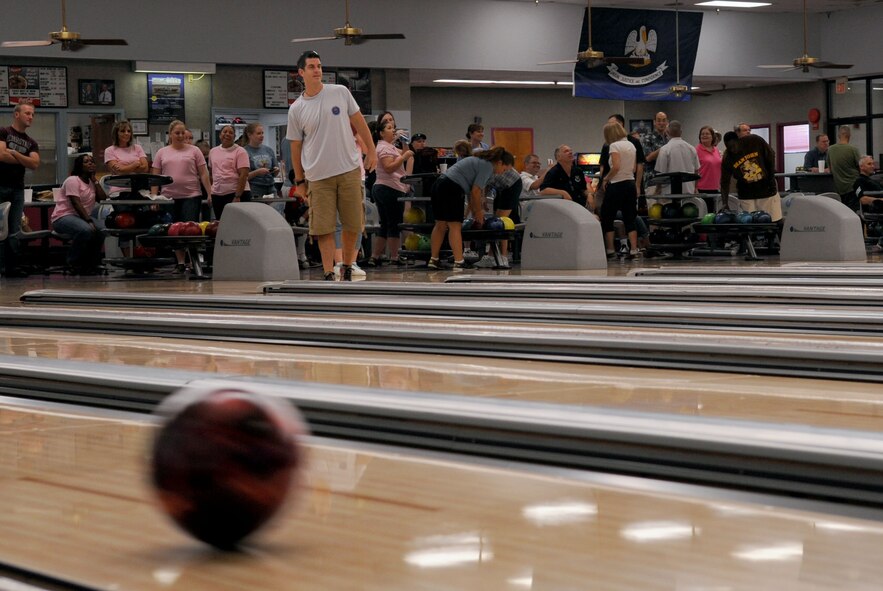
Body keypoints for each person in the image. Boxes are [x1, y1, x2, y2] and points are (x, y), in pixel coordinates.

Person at [287, 50, 377, 282]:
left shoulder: (340, 92)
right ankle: (328, 271)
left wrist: (371, 150)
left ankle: (347, 266)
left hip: (348, 169)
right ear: (301, 73)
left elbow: (360, 123)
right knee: (323, 227)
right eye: (311, 67)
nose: (317, 70)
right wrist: (299, 181)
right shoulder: (296, 108)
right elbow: (295, 147)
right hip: (318, 175)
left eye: (319, 66)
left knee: (353, 223)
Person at [427, 146, 514, 270]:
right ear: (499, 162)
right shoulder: (488, 166)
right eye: (504, 169)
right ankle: (459, 262)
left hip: (439, 184)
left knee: (440, 224)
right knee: (455, 226)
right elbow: (475, 191)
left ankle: (434, 259)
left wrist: (475, 210)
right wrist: (478, 212)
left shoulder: (479, 161)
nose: (502, 173)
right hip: (452, 187)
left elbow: (472, 193)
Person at [151, 120, 212, 274]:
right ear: (170, 134)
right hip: (169, 197)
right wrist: (154, 196)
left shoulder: (194, 151)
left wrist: (209, 192)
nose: (180, 136)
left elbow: (203, 173)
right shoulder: (162, 152)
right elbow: (155, 176)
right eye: (176, 133)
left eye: (182, 133)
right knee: (174, 230)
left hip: (191, 195)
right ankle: (180, 262)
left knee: (190, 230)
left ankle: (193, 262)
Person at [0, 102, 39, 277]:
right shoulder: (4, 132)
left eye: (32, 114)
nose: (31, 117)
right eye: (27, 113)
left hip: (17, 189)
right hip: (1, 185)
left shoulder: (32, 142)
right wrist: (25, 160)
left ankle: (12, 267)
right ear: (17, 114)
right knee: (1, 228)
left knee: (14, 229)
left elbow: (35, 164)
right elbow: (1, 155)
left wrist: (15, 153)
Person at [366, 120, 413, 267]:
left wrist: (404, 142)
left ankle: (375, 256)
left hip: (384, 187)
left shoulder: (388, 146)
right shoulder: (384, 148)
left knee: (386, 224)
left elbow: (404, 154)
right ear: (381, 133)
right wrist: (404, 158)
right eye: (389, 128)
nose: (393, 130)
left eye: (394, 128)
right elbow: (389, 167)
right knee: (393, 224)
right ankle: (394, 256)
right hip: (389, 188)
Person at [51, 154, 107, 274]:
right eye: (86, 162)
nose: (90, 163)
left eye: (92, 161)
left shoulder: (91, 182)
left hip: (81, 217)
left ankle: (91, 263)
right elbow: (76, 203)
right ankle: (73, 262)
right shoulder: (72, 180)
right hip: (63, 217)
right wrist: (89, 221)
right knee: (85, 230)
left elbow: (102, 198)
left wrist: (95, 180)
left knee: (102, 230)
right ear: (79, 166)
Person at [103, 119, 149, 257]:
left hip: (137, 191)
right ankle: (127, 257)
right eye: (123, 131)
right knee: (125, 223)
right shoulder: (110, 150)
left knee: (142, 221)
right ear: (116, 133)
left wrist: (125, 167)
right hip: (119, 192)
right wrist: (134, 165)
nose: (126, 133)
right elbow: (117, 171)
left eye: (129, 131)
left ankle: (140, 255)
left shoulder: (137, 148)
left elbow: (145, 167)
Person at [719, 131, 783, 222]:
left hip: (766, 190)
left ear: (738, 141)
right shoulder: (727, 157)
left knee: (773, 222)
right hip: (746, 195)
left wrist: (771, 178)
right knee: (750, 225)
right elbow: (724, 182)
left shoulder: (754, 141)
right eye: (729, 148)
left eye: (733, 146)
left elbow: (771, 155)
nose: (732, 150)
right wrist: (725, 203)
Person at [600, 122, 639, 260]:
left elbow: (616, 167)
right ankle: (634, 249)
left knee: (607, 216)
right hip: (630, 183)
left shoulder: (614, 146)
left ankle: (610, 249)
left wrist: (606, 179)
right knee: (630, 217)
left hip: (616, 185)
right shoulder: (632, 145)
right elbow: (634, 168)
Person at [208, 124, 250, 221]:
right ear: (220, 135)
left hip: (235, 194)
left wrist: (237, 196)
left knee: (236, 223)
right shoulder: (213, 151)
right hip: (217, 195)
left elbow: (243, 175)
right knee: (221, 223)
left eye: (231, 133)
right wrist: (212, 191)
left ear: (234, 137)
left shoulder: (240, 151)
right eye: (225, 132)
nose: (227, 134)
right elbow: (211, 173)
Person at [539, 144, 593, 210]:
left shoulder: (578, 171)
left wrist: (589, 195)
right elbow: (543, 190)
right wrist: (563, 193)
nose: (570, 152)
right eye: (566, 151)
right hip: (563, 208)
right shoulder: (553, 172)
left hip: (580, 205)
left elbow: (584, 189)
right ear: (558, 157)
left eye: (571, 151)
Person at [655, 120, 700, 195]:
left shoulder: (665, 149)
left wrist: (657, 190)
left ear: (667, 132)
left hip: (670, 193)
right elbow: (696, 171)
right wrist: (695, 188)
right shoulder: (691, 148)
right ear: (681, 132)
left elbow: (660, 173)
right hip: (689, 193)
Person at [826, 125, 861, 211]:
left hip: (838, 188)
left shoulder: (830, 150)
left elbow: (830, 168)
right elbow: (861, 167)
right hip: (853, 187)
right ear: (849, 135)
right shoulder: (853, 149)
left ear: (838, 135)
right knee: (854, 212)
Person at [242, 123, 279, 204]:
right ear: (249, 135)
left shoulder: (268, 150)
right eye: (258, 133)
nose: (262, 136)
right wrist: (257, 172)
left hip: (270, 187)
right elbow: (243, 177)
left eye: (262, 133)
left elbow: (274, 173)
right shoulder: (244, 151)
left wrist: (276, 170)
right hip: (255, 189)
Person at [640, 111, 668, 195]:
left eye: (664, 120)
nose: (661, 123)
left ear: (667, 122)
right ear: (654, 122)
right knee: (652, 203)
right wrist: (665, 148)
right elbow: (648, 158)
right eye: (659, 120)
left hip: (666, 181)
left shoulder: (668, 139)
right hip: (652, 181)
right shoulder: (647, 138)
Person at [695, 125, 721, 196]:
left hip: (716, 188)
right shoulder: (696, 150)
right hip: (701, 188)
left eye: (707, 134)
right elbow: (693, 170)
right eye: (702, 134)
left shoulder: (716, 150)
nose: (704, 135)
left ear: (712, 136)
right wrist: (694, 187)